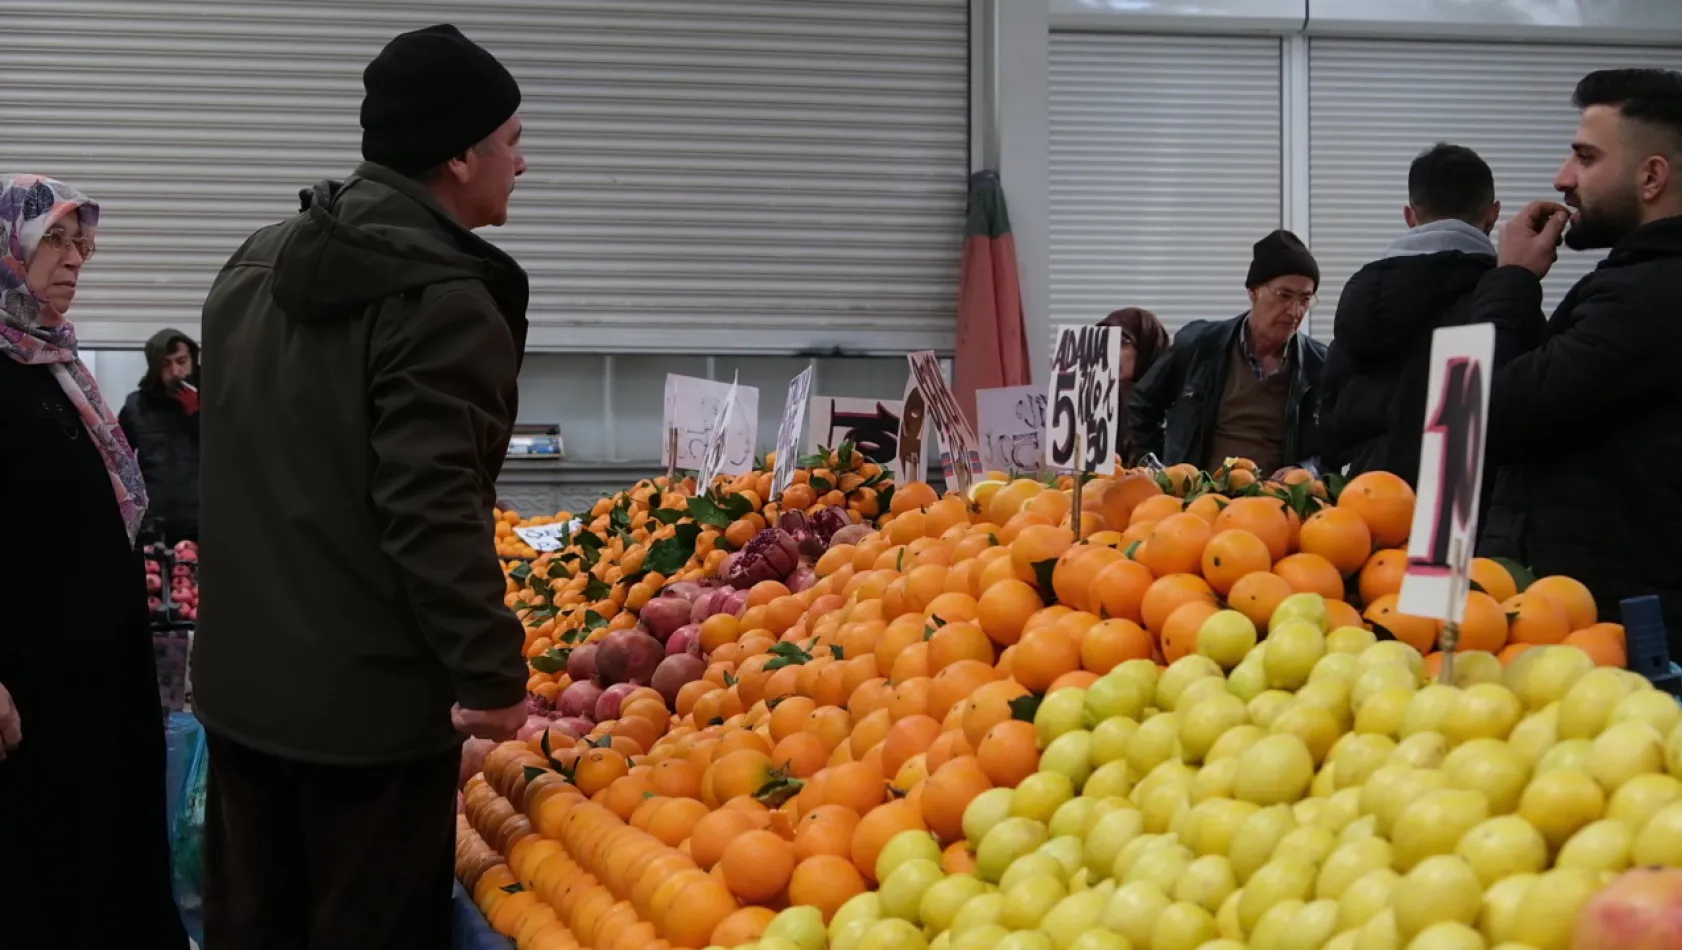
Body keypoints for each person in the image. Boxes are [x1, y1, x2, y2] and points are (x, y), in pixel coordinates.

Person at [192, 24, 532, 950]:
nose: (524, 163)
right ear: (459, 156)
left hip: (242, 697)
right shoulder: (441, 300)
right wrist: (491, 672)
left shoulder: (255, 263)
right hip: (367, 726)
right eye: (510, 141)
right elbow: (430, 507)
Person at [0, 174, 189, 948]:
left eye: (83, 243)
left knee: (104, 853)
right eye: (54, 239)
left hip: (95, 668)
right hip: (26, 684)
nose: (76, 258)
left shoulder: (56, 365)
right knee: (43, 870)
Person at [1470, 67, 1682, 644]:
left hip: (1622, 640)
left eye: (1586, 158)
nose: (1563, 178)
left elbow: (1480, 412)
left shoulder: (1647, 297)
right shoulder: (1638, 285)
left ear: (1652, 177)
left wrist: (1512, 277)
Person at [1320, 143, 1509, 486]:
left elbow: (1331, 408)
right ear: (1493, 214)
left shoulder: (1361, 295)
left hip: (1369, 501)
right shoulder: (1504, 295)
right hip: (1467, 507)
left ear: (1410, 216)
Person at [1129, 230, 1329, 475]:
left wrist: (1306, 470)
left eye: (1305, 299)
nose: (1295, 311)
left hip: (1274, 504)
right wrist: (1165, 469)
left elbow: (1336, 448)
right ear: (1253, 292)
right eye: (1284, 295)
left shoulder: (1319, 365)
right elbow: (1141, 406)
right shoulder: (1200, 345)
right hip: (1199, 501)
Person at [119, 328, 201, 544]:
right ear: (155, 368)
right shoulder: (136, 407)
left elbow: (231, 455)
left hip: (203, 521)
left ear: (193, 359)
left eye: (181, 361)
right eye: (165, 364)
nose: (176, 371)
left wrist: (199, 417)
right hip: (152, 522)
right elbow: (117, 462)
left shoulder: (213, 400)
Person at [1098, 307, 1170, 465]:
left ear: (1146, 344)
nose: (1110, 352)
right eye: (1106, 342)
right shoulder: (1105, 398)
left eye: (1122, 343)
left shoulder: (1177, 399)